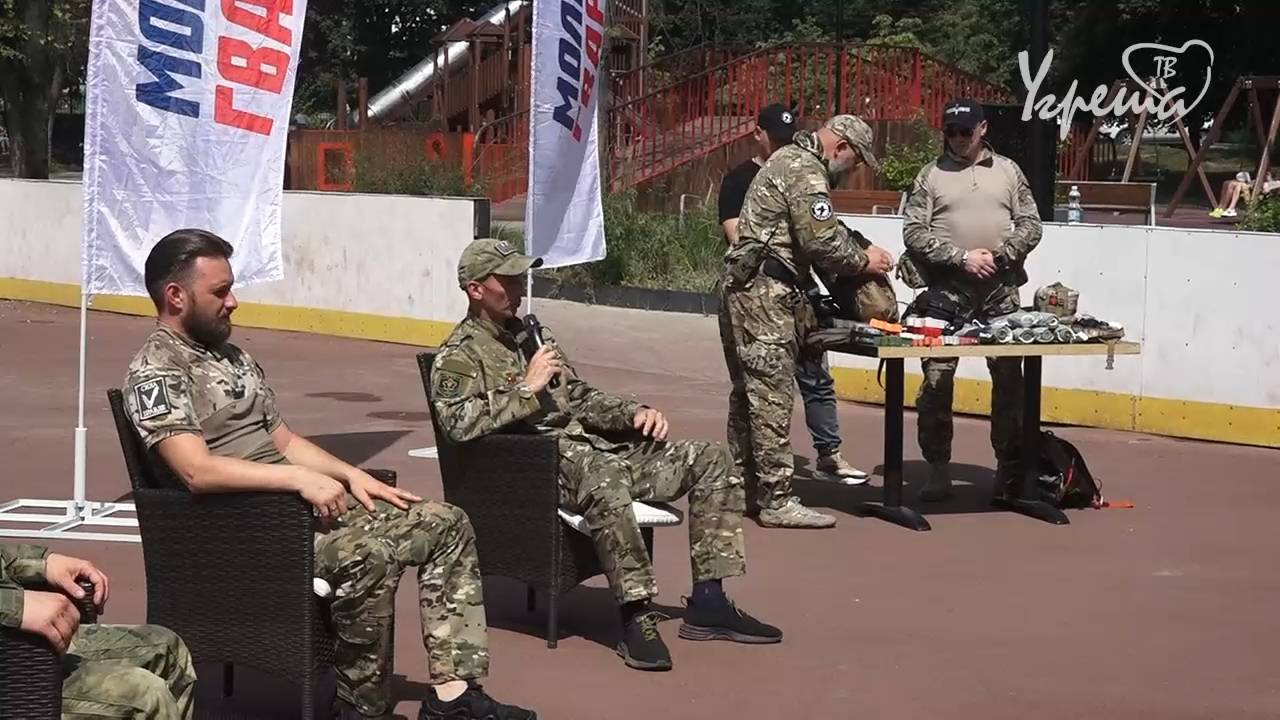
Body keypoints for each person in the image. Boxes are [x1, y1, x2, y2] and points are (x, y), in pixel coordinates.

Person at [121, 229, 534, 720]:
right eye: (220, 291)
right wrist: (298, 480)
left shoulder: (232, 357)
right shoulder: (156, 370)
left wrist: (351, 476)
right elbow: (196, 471)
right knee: (368, 555)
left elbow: (284, 442)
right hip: (243, 531)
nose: (233, 302)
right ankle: (359, 707)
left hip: (294, 512)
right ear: (175, 296)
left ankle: (453, 695)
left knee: (446, 522)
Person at [430, 238, 781, 673]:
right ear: (475, 289)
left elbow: (576, 395)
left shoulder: (532, 337)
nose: (519, 288)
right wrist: (525, 389)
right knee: (604, 476)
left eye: (521, 277)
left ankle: (709, 601)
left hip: (595, 451)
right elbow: (457, 424)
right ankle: (635, 613)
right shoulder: (460, 353)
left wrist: (632, 412)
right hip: (537, 464)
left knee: (709, 458)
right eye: (508, 280)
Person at [719, 115, 895, 529]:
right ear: (841, 147)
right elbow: (821, 240)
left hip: (747, 288)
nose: (851, 170)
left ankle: (744, 489)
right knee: (771, 397)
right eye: (855, 161)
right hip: (765, 294)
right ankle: (776, 500)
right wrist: (863, 261)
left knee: (748, 396)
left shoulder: (787, 160)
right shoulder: (805, 168)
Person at [899, 98, 1043, 502]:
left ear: (982, 129)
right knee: (937, 379)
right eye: (951, 132)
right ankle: (937, 467)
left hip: (1000, 287)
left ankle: (1008, 469)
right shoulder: (930, 175)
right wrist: (961, 258)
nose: (959, 139)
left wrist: (1002, 256)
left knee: (1010, 379)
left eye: (966, 131)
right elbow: (913, 233)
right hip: (947, 291)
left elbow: (1031, 224)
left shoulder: (1009, 171)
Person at [1, 543, 197, 718]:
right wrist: (10, 605)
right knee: (146, 696)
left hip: (23, 642)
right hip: (12, 673)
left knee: (166, 646)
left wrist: (41, 562)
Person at [1210, 170, 1278, 218]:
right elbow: (1252, 184)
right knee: (1229, 183)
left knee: (1239, 185)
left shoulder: (1274, 182)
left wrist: (1269, 181)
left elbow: (1266, 190)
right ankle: (1222, 207)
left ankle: (1230, 208)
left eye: (1267, 174)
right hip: (1251, 189)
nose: (1265, 175)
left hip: (1255, 195)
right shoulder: (1260, 180)